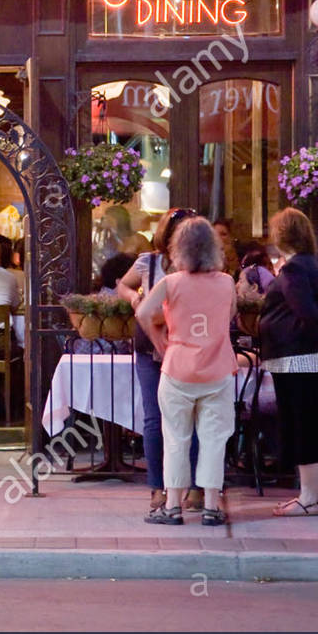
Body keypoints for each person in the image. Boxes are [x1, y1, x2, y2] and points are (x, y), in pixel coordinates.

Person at [136, 218, 238, 526]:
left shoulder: (171, 282)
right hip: (217, 369)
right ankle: (210, 505)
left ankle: (172, 506)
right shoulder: (226, 282)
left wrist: (159, 338)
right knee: (213, 439)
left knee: (176, 438)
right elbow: (231, 315)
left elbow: (143, 312)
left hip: (177, 368)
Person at [258, 207, 318, 517]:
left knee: (303, 425)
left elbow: (304, 310)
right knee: (307, 422)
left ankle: (309, 498)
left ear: (282, 236)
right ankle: (308, 496)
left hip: (296, 358)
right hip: (305, 358)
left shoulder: (294, 270)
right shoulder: (312, 266)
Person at [114, 207, 200, 511]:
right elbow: (122, 285)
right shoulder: (148, 261)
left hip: (185, 343)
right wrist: (135, 298)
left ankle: (191, 486)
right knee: (154, 418)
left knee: (188, 416)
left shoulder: (197, 264)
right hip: (151, 345)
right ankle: (157, 487)